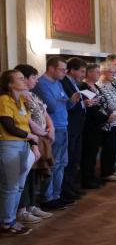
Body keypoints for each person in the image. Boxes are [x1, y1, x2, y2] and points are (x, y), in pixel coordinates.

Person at [33, 57, 80, 210]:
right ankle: (47, 198)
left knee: (62, 164)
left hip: (63, 125)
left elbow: (67, 105)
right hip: (52, 129)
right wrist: (65, 101)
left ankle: (57, 196)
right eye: (61, 69)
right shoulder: (42, 84)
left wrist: (72, 100)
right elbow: (51, 107)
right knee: (52, 164)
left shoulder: (58, 83)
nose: (64, 72)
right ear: (51, 68)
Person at [0, 69, 39, 236]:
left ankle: (12, 218)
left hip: (24, 145)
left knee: (19, 186)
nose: (24, 82)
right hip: (10, 145)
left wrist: (31, 141)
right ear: (10, 84)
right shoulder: (4, 100)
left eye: (24, 79)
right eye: (20, 79)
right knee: (10, 187)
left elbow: (28, 122)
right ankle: (6, 222)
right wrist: (30, 136)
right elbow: (9, 126)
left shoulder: (22, 99)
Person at [15, 64, 54, 223]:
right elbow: (28, 120)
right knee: (26, 175)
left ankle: (32, 205)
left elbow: (44, 112)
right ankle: (22, 209)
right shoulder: (19, 97)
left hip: (41, 137)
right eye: (33, 78)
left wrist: (51, 127)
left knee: (35, 174)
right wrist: (42, 133)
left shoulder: (33, 95)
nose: (36, 81)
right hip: (31, 139)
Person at [61, 57, 93, 201]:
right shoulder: (64, 82)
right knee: (69, 159)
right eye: (81, 71)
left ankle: (72, 187)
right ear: (72, 70)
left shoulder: (74, 83)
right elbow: (66, 104)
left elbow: (76, 101)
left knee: (75, 158)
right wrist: (80, 103)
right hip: (71, 125)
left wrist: (84, 103)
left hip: (78, 125)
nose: (83, 75)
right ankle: (65, 190)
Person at [80, 63, 110, 189]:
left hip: (98, 123)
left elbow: (101, 102)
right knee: (88, 154)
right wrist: (105, 117)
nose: (99, 74)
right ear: (89, 73)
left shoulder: (96, 86)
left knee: (94, 153)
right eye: (97, 72)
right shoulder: (83, 86)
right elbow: (90, 107)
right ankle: (87, 180)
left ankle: (92, 177)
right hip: (89, 124)